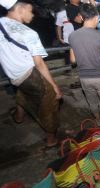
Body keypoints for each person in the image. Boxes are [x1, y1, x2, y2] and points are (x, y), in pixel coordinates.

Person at [0, 0, 62, 148]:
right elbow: (39, 64)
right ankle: (51, 139)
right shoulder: (28, 33)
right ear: (21, 9)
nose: (33, 15)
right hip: (30, 75)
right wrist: (54, 87)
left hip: (13, 76)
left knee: (22, 92)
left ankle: (19, 116)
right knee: (50, 102)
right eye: (31, 10)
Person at [69, 3, 100, 125]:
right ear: (97, 17)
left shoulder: (72, 36)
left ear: (82, 17)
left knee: (92, 102)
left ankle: (97, 119)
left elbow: (73, 60)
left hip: (84, 78)